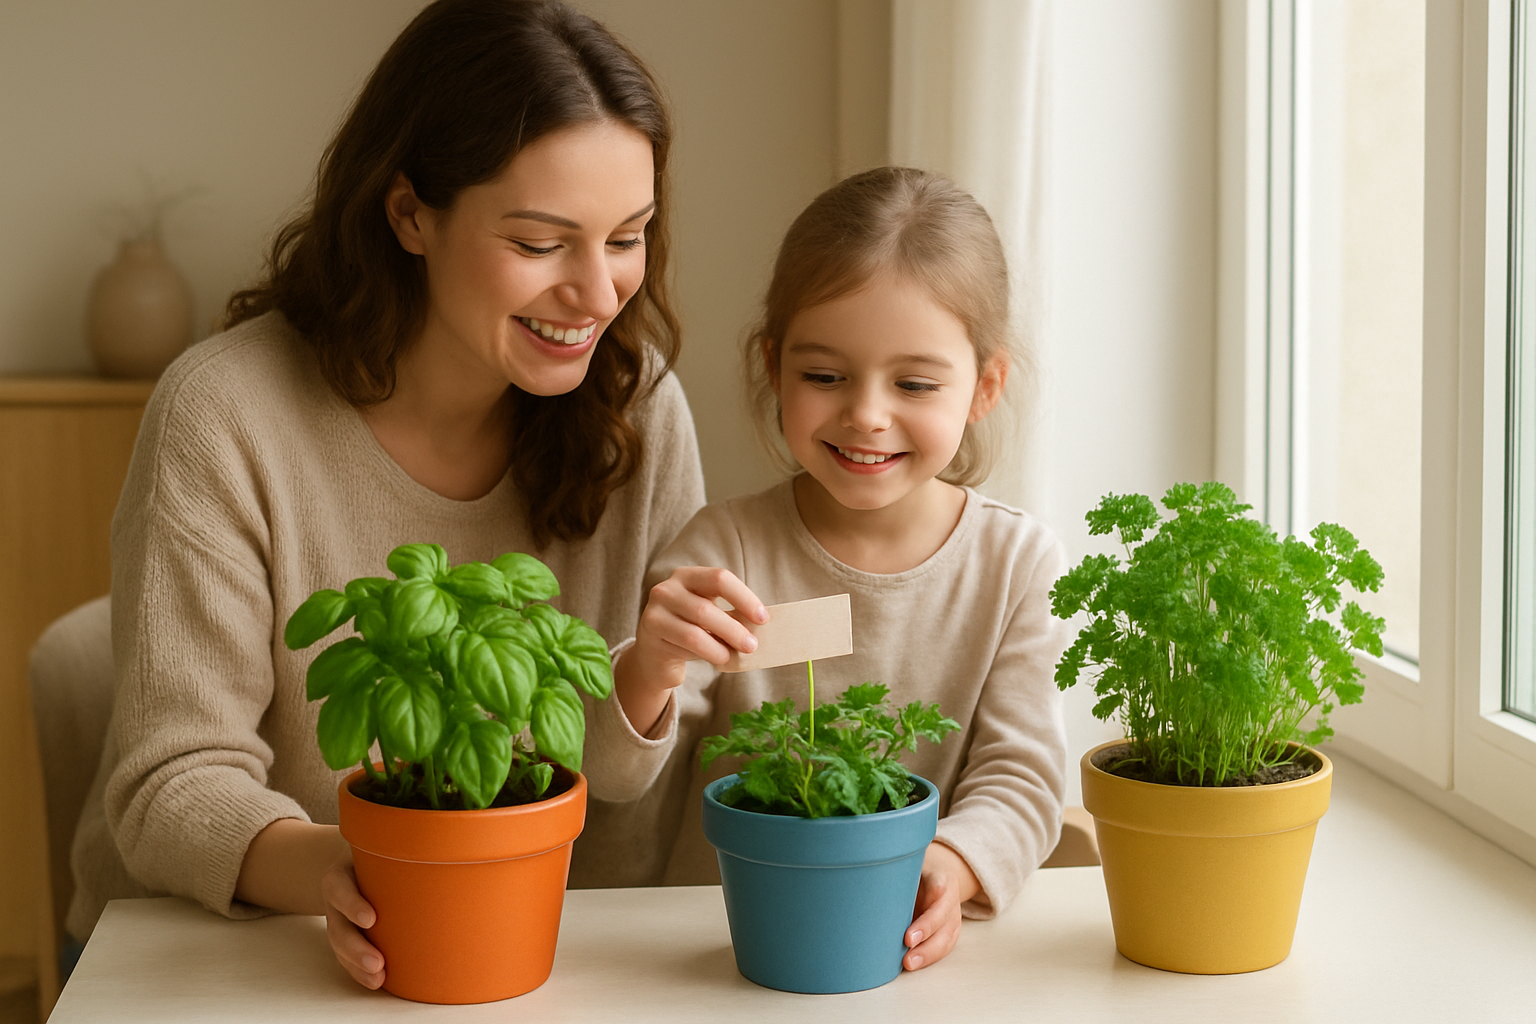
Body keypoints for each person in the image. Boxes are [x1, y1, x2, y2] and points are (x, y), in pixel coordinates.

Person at [67, 0, 704, 992]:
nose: (600, 291)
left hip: (540, 962)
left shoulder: (642, 410)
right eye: (542, 243)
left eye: (629, 236)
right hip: (226, 953)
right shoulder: (226, 411)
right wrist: (352, 871)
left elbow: (636, 763)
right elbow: (169, 786)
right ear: (409, 212)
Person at [604, 167, 1070, 972]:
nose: (866, 413)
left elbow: (1021, 775)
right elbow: (612, 779)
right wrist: (648, 668)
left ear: (984, 386)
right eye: (825, 376)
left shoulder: (1016, 565)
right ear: (774, 366)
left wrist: (956, 864)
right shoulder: (724, 548)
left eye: (915, 383)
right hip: (716, 951)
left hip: (900, 945)